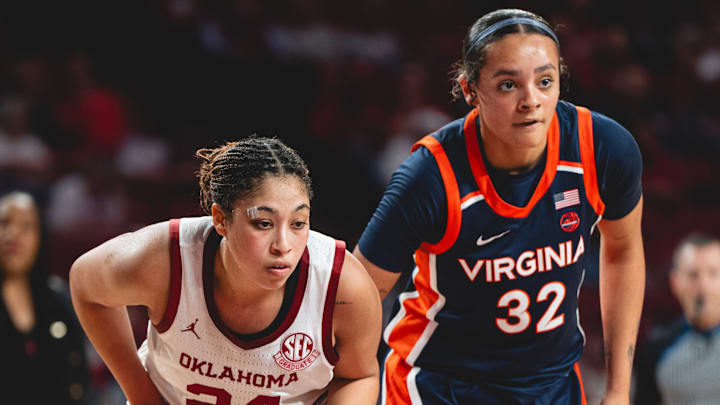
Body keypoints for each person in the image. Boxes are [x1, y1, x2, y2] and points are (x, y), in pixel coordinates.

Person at [352, 8, 645, 405]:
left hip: (551, 385)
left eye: (545, 81)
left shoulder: (604, 148)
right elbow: (355, 298)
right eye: (509, 85)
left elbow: (623, 249)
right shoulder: (429, 176)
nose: (531, 101)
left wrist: (618, 390)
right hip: (439, 386)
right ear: (470, 90)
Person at [69, 136, 382, 405]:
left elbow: (359, 376)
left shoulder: (342, 285)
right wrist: (142, 396)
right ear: (220, 219)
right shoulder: (165, 259)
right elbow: (85, 283)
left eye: (298, 223)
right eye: (263, 223)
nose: (283, 245)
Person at [0, 191, 92, 404]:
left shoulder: (59, 299)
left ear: (40, 236)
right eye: (4, 223)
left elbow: (79, 379)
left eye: (26, 226)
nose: (13, 235)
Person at [634, 233, 720, 405]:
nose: (703, 285)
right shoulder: (655, 351)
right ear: (675, 282)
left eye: (713, 273)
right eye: (693, 275)